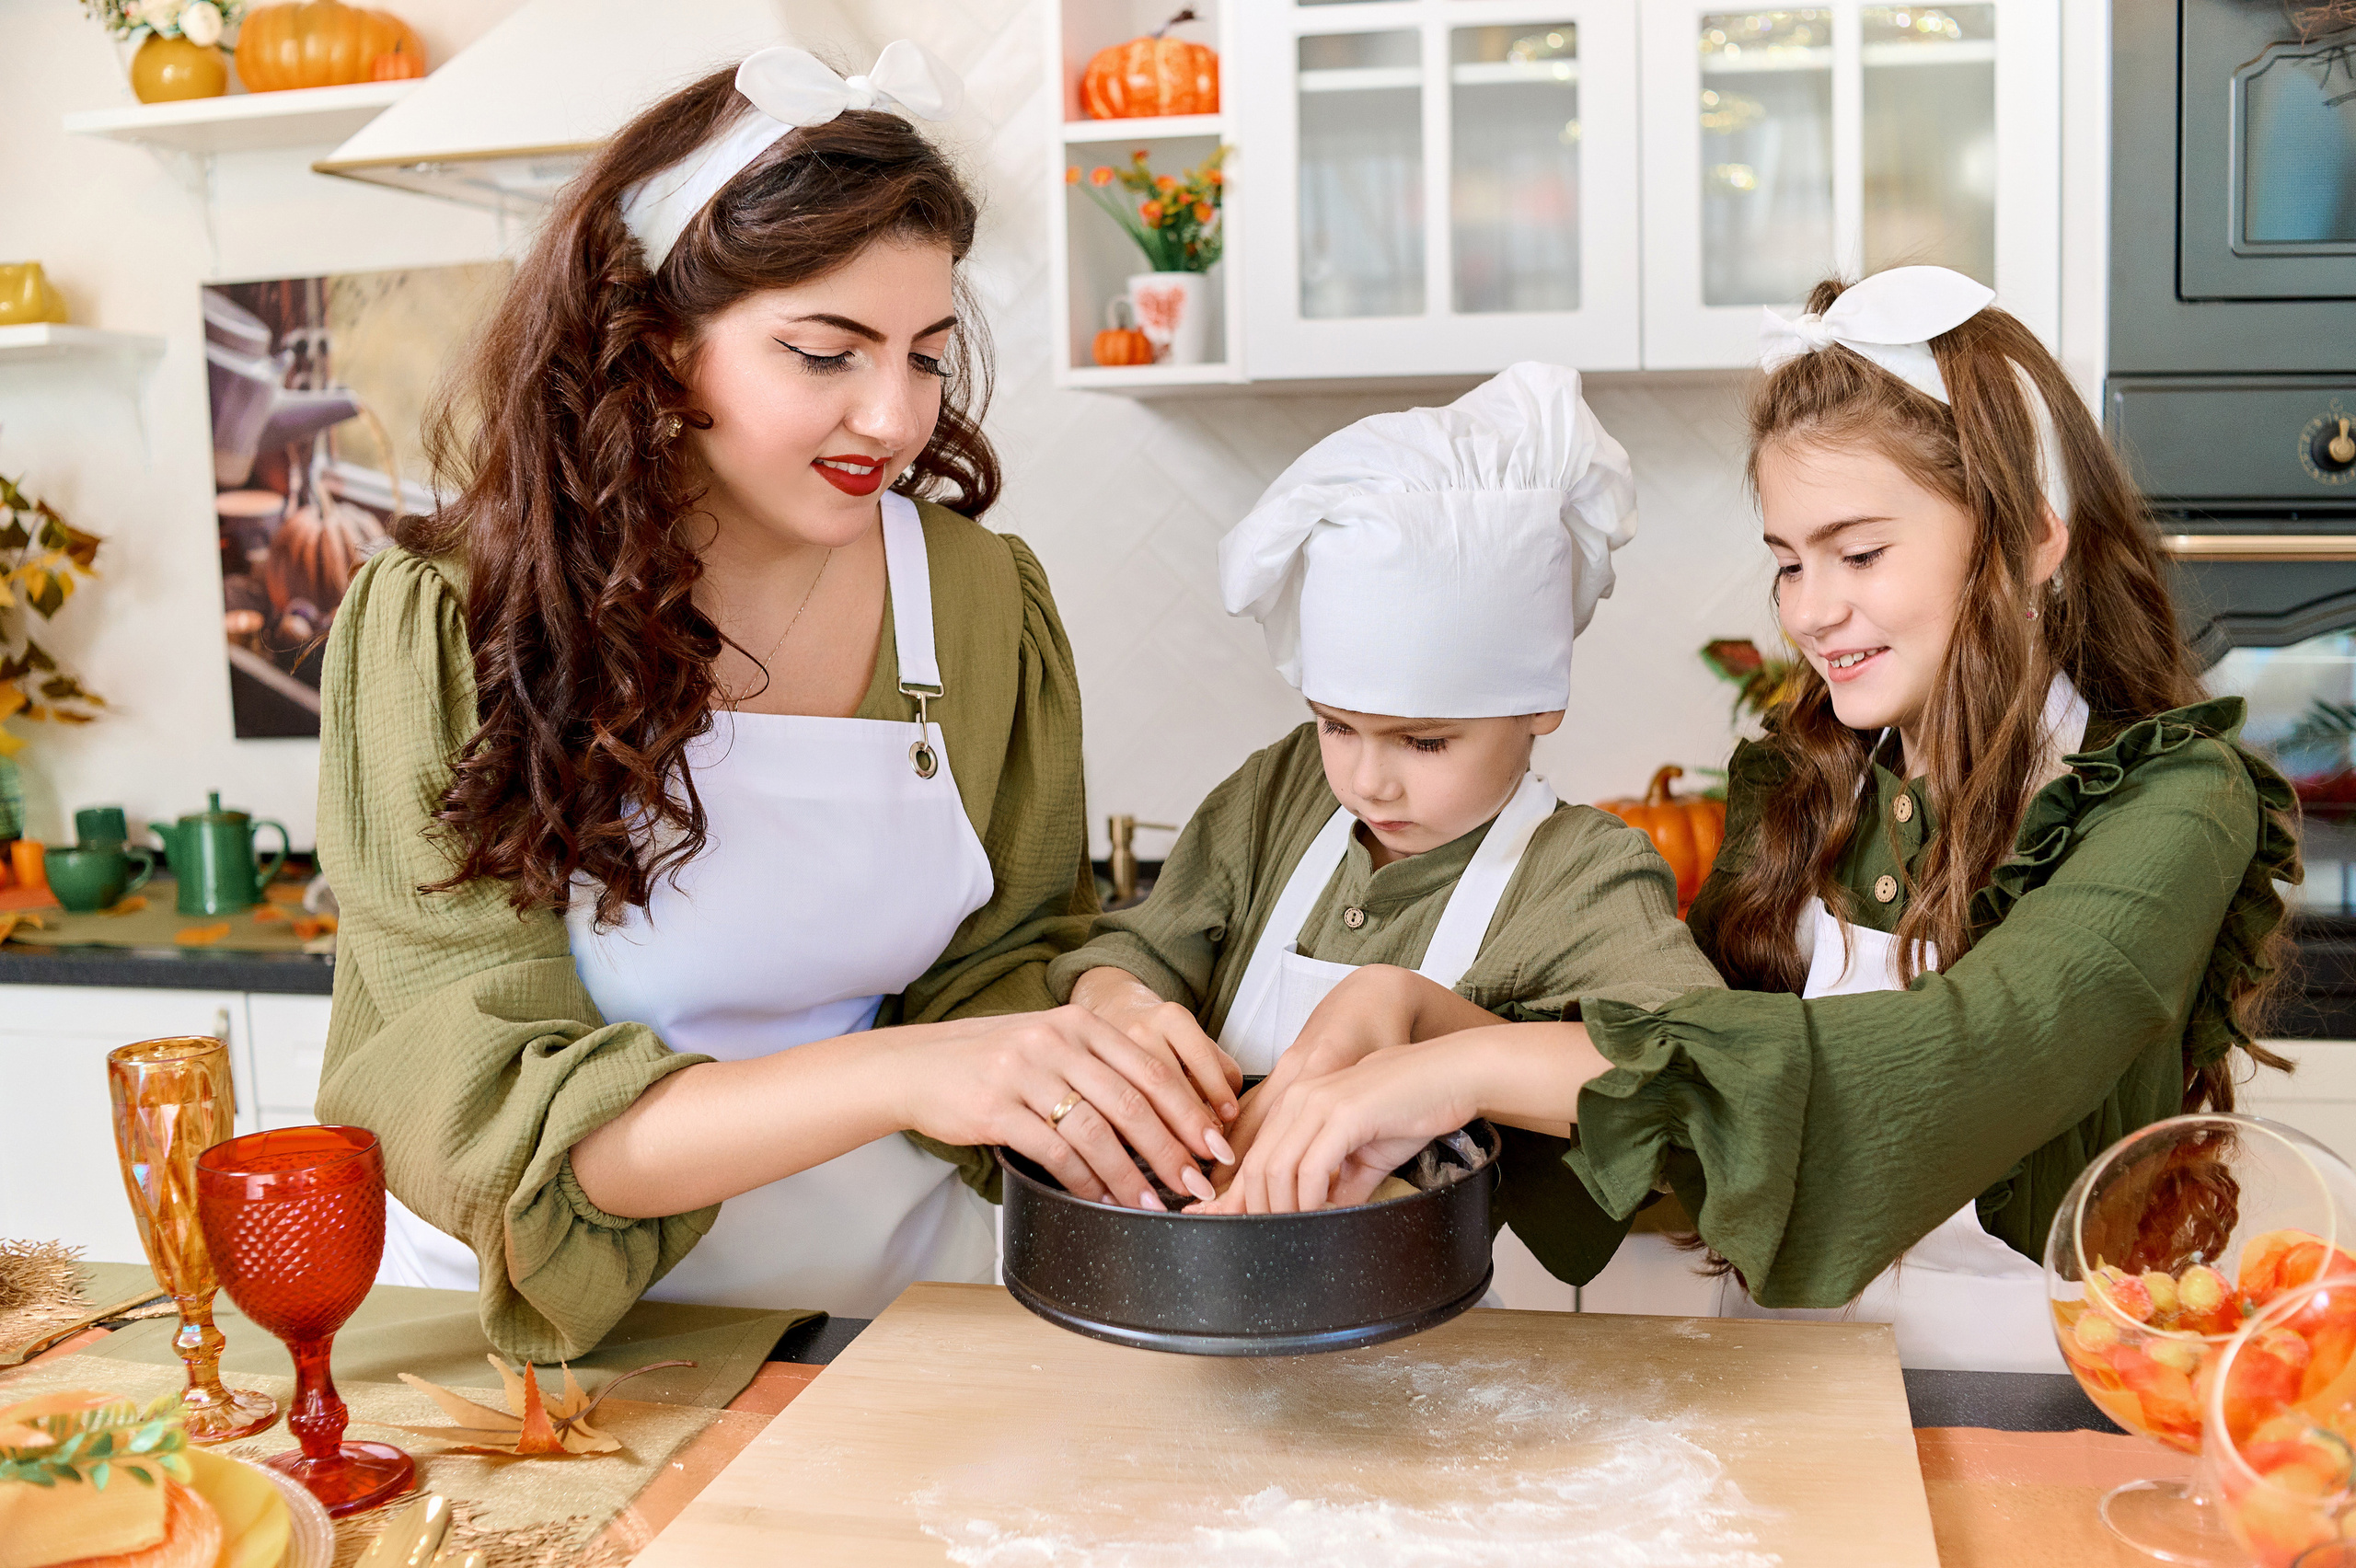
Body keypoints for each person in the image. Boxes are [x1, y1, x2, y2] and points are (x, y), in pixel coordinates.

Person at [1198, 268, 2298, 1374]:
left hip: (2038, 1399)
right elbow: (1700, 1126)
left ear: (2028, 542)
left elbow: (1953, 1061)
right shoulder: (1803, 788)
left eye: (1858, 553)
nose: (1811, 612)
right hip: (1779, 1389)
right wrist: (1409, 1011)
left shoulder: (2172, 802)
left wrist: (1449, 1070)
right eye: (1786, 563)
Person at [314, 44, 1228, 1362]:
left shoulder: (975, 602)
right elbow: (479, 1103)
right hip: (554, 1341)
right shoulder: (450, 617)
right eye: (825, 352)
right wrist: (906, 1072)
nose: (896, 416)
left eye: (925, 354)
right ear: (653, 338)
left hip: (897, 1321)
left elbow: (996, 960)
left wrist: (1088, 1014)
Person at [1053, 364, 1723, 1257]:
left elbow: (1698, 1079)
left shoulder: (1582, 872)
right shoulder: (1284, 791)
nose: (1369, 780)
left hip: (1460, 1327)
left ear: (1537, 706)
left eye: (1424, 742)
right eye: (1337, 725)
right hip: (1209, 1278)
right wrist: (1119, 1000)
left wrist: (1429, 1029)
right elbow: (1138, 945)